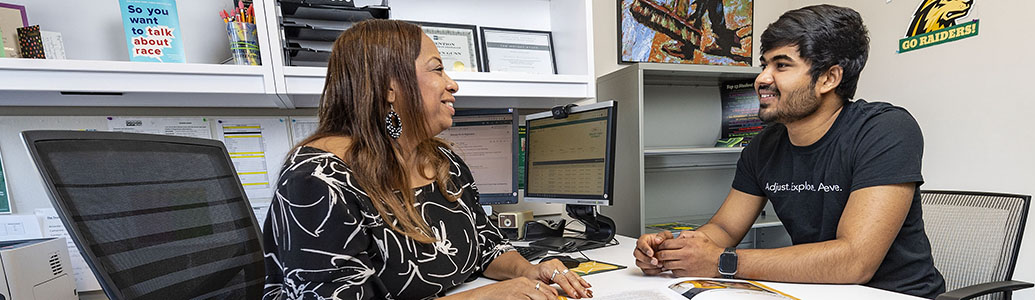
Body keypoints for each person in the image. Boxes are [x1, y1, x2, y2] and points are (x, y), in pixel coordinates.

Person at [261, 20, 592, 300]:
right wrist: (486, 296)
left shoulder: (442, 159)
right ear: (390, 87)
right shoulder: (316, 180)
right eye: (437, 69)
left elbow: (486, 244)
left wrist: (529, 271)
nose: (453, 84)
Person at [632, 5, 946, 299]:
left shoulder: (885, 130)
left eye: (781, 65)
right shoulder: (764, 146)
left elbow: (854, 261)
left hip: (897, 295)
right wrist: (674, 250)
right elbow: (725, 228)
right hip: (817, 291)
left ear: (828, 78)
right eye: (764, 65)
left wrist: (722, 261)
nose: (762, 79)